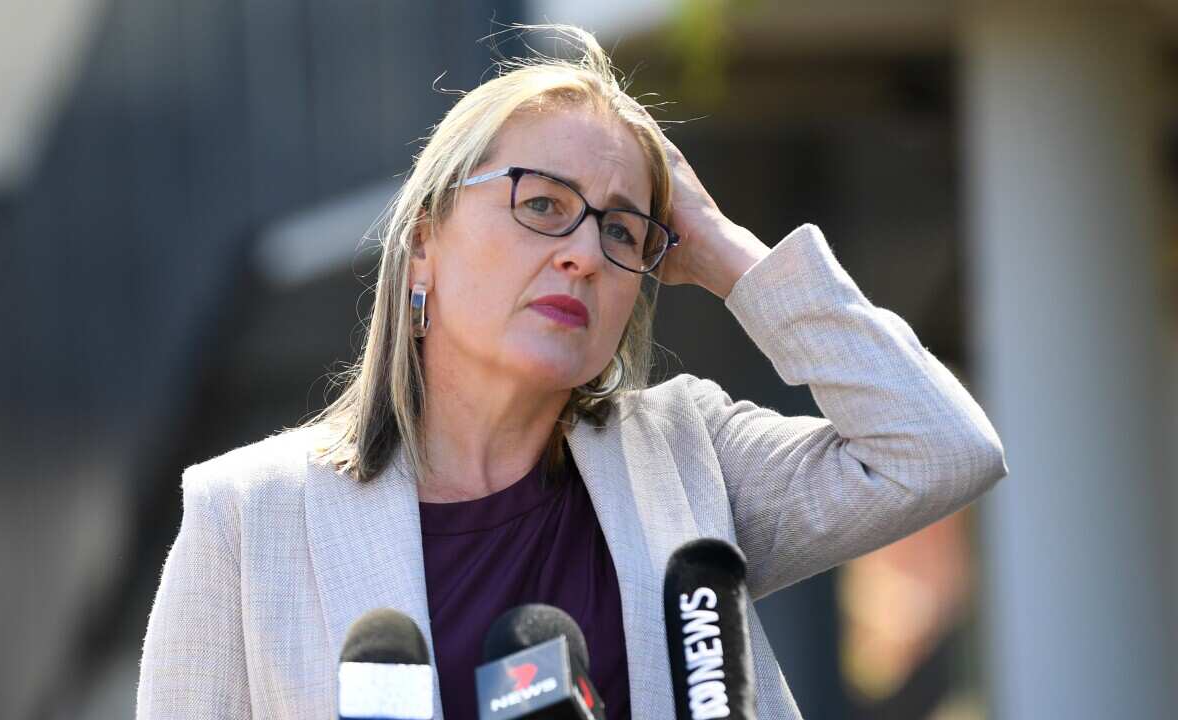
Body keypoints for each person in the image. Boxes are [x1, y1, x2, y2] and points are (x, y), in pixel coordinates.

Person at [135, 25, 1006, 720]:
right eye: (543, 204)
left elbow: (937, 449)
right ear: (424, 245)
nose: (585, 255)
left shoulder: (688, 459)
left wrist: (725, 250)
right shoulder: (247, 521)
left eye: (623, 230)